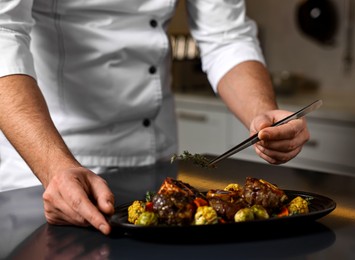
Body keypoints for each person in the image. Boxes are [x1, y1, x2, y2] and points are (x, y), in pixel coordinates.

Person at [0, 0, 310, 235]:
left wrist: (261, 111)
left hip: (155, 161)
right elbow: (4, 34)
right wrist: (54, 167)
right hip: (49, 167)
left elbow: (226, 35)